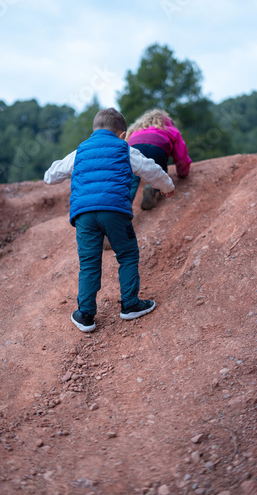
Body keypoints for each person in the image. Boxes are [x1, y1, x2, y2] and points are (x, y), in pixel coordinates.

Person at [44, 108, 175, 333]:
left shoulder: (80, 151)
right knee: (127, 254)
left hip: (84, 215)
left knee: (89, 262)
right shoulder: (125, 148)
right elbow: (150, 169)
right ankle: (130, 305)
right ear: (122, 134)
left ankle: (85, 315)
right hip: (115, 211)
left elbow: (51, 176)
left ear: (94, 129)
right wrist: (167, 187)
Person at [126, 109, 191, 210]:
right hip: (157, 148)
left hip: (135, 147)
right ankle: (152, 188)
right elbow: (181, 155)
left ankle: (122, 208)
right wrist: (183, 173)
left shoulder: (136, 130)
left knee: (132, 181)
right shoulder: (169, 129)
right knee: (158, 171)